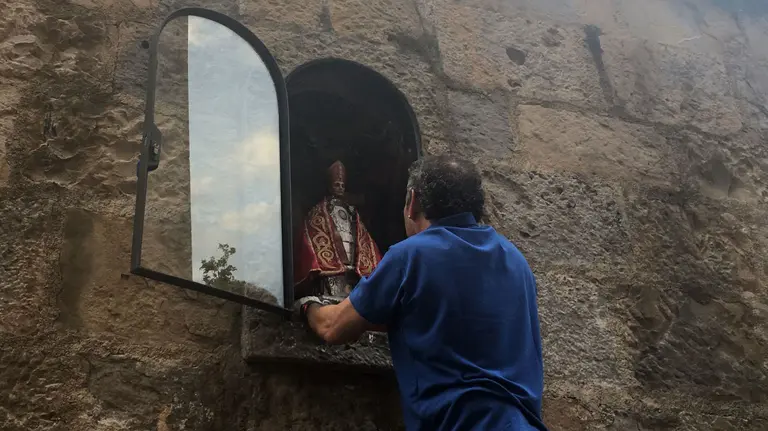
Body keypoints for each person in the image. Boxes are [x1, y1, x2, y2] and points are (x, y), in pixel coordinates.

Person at [295, 155, 548, 431]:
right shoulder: (516, 261)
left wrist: (306, 304)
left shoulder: (411, 256)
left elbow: (333, 327)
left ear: (412, 202)